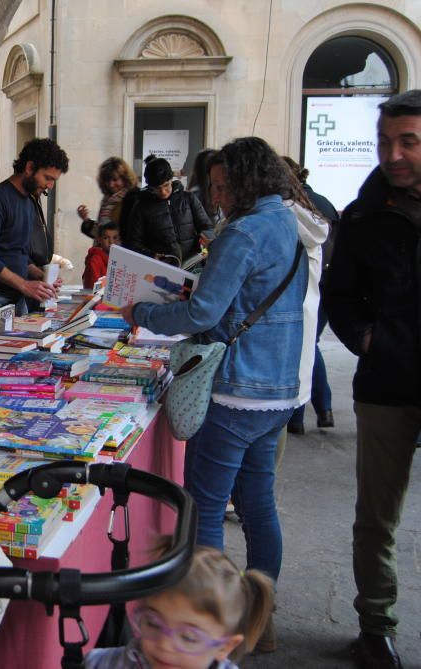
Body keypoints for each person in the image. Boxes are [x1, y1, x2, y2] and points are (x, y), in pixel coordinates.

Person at [122, 138, 308, 649]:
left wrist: (142, 314)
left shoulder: (244, 232)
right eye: (215, 187)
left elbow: (203, 314)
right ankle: (258, 620)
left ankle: (208, 627)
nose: (217, 198)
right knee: (258, 503)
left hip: (235, 389)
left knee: (203, 505)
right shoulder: (284, 221)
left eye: (224, 187)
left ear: (248, 180)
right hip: (276, 389)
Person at [324, 90, 421, 669]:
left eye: (408, 141)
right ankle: (375, 626)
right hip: (386, 385)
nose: (394, 154)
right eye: (386, 141)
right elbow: (339, 294)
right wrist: (368, 340)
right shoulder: (364, 212)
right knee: (376, 518)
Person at [84, 544, 274, 669]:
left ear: (225, 646)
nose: (165, 645)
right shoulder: (105, 664)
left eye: (188, 637)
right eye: (153, 624)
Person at [0, 138, 68, 334]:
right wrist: (24, 284)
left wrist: (41, 276)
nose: (50, 186)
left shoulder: (29, 201)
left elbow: (17, 254)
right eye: (47, 178)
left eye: (54, 181)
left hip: (15, 299)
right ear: (30, 167)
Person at [283, 156, 338, 434]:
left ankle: (297, 418)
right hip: (323, 287)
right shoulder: (320, 205)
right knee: (309, 347)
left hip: (298, 298)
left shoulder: (281, 215)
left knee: (305, 348)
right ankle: (322, 408)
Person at [123, 155, 212, 265]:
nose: (163, 192)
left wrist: (205, 241)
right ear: (150, 187)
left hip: (194, 263)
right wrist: (151, 255)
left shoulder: (188, 199)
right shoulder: (141, 207)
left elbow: (206, 227)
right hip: (163, 268)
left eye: (166, 185)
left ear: (171, 179)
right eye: (157, 189)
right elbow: (133, 244)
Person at [77, 156, 138, 240]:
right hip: (105, 251)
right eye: (107, 180)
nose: (111, 184)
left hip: (118, 251)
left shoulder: (132, 199)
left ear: (125, 178)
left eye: (115, 179)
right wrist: (86, 219)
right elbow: (101, 234)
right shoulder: (107, 200)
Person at [83, 221, 120, 289]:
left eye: (115, 238)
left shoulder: (121, 259)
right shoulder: (95, 261)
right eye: (106, 238)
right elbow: (94, 289)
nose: (111, 241)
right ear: (99, 240)